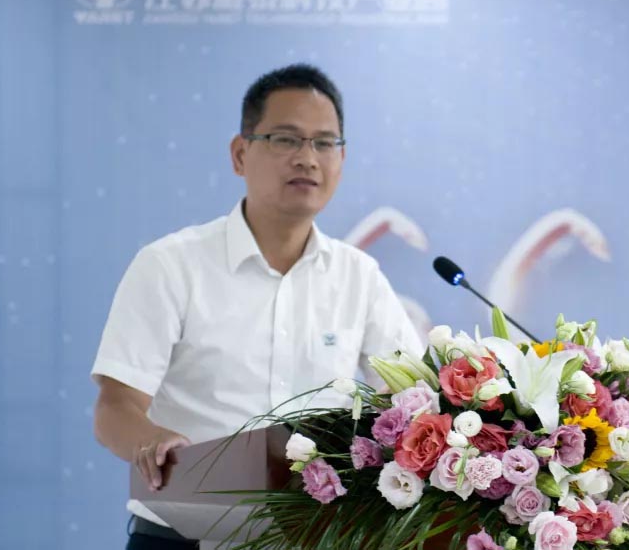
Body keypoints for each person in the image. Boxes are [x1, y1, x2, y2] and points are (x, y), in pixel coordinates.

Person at [91, 64, 424, 549]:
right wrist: (151, 441)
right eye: (286, 139)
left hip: (314, 538)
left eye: (324, 143)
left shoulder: (359, 276)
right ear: (240, 153)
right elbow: (115, 406)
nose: (307, 158)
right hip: (184, 537)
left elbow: (413, 399)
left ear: (341, 158)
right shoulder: (170, 265)